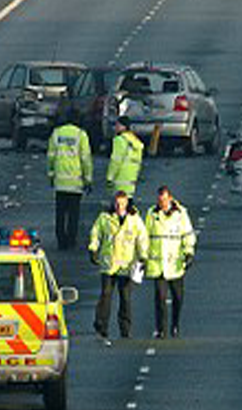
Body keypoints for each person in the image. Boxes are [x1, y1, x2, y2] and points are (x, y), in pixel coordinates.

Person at [89, 190, 149, 343]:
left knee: (125, 298)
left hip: (126, 265)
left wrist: (143, 256)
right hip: (109, 264)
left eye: (122, 203)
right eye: (117, 203)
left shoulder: (134, 220)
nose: (119, 206)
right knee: (106, 296)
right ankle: (102, 326)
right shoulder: (105, 218)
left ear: (127, 203)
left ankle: (125, 329)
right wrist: (93, 249)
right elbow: (96, 233)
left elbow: (142, 238)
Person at [145, 185, 197, 339]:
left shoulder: (181, 214)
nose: (162, 203)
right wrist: (142, 256)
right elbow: (145, 236)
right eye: (160, 200)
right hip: (158, 264)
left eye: (165, 200)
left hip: (175, 264)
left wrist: (188, 252)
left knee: (177, 297)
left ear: (170, 198)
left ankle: (175, 325)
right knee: (160, 298)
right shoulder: (151, 213)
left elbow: (188, 234)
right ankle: (160, 329)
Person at [47, 104, 93, 249]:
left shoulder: (57, 133)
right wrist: (88, 179)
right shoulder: (81, 135)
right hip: (75, 181)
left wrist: (51, 175)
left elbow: (51, 156)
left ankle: (61, 240)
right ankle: (71, 239)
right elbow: (85, 159)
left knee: (60, 212)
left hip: (60, 181)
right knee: (74, 213)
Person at [106, 116, 144, 199]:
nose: (115, 127)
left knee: (118, 207)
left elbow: (116, 161)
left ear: (123, 126)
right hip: (131, 180)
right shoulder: (135, 141)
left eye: (117, 125)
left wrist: (110, 177)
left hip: (120, 179)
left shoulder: (119, 140)